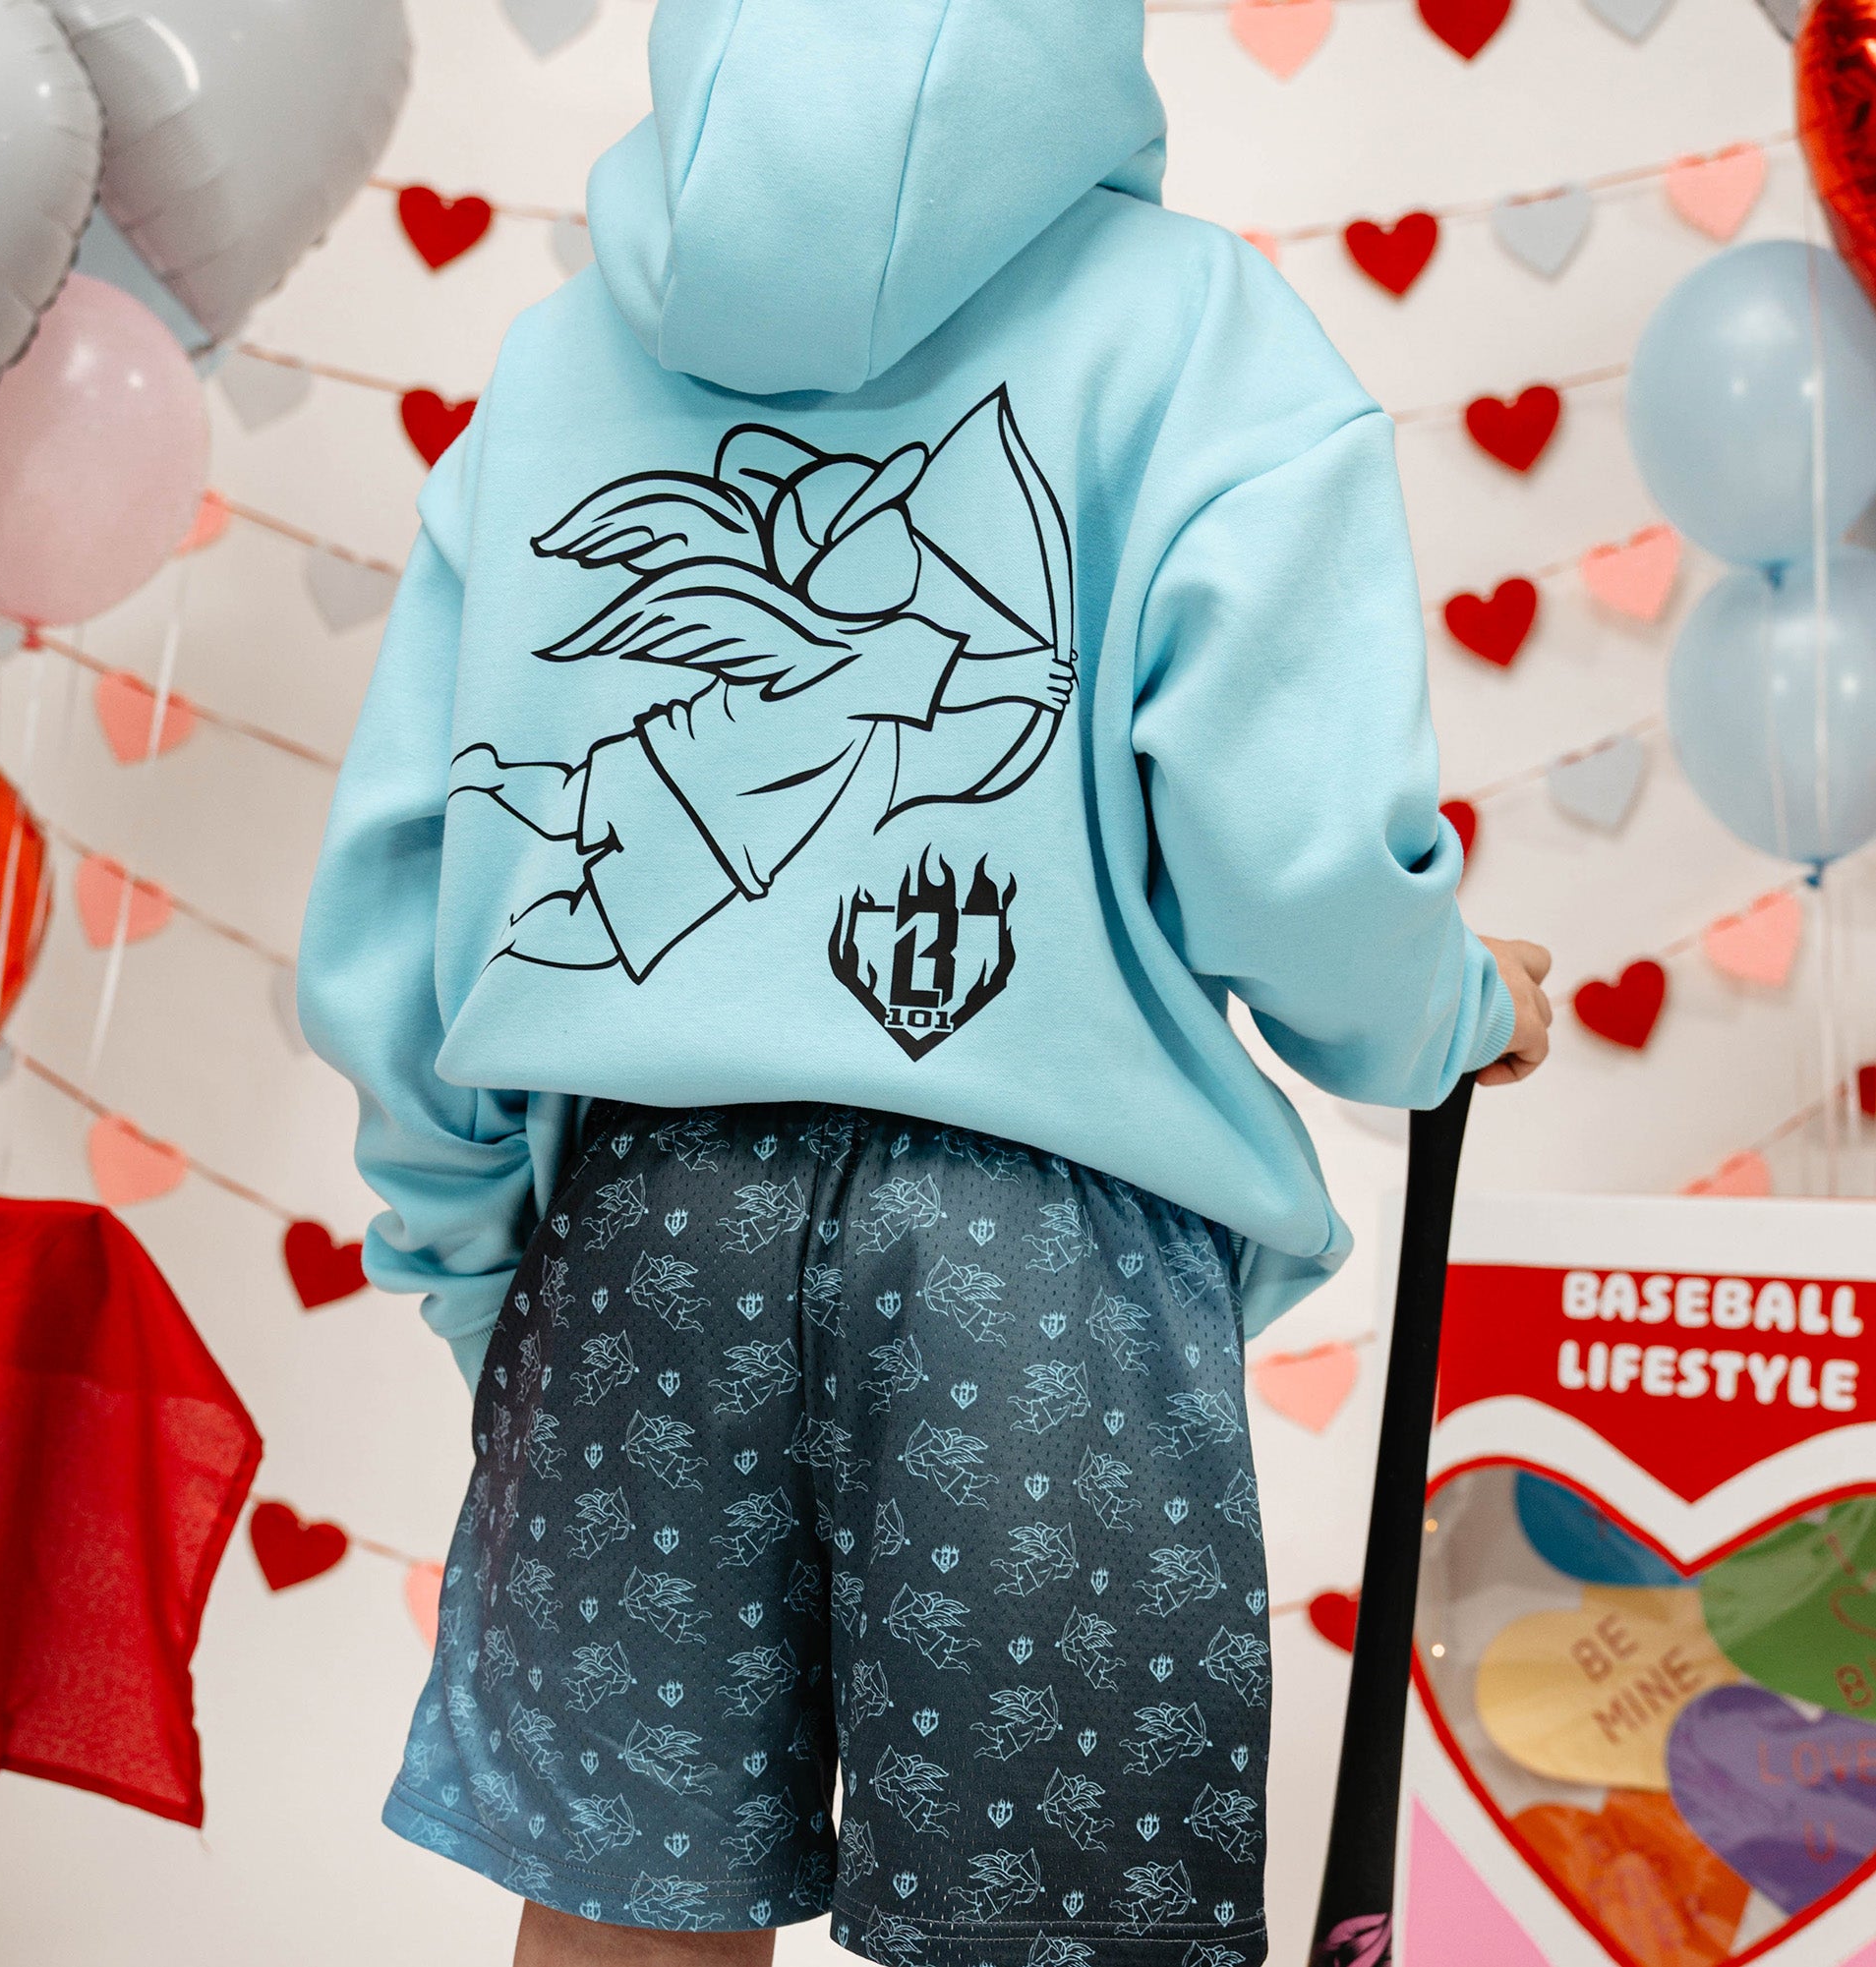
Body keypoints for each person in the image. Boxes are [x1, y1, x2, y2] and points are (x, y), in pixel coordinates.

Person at [296, 4, 1554, 1964]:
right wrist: (1446, 1007)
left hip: (641, 1234)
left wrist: (477, 1260)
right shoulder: (1199, 334)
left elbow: (407, 872)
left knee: (623, 1917)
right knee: (1054, 1923)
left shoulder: (559, 361)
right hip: (1038, 1266)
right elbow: (1293, 856)